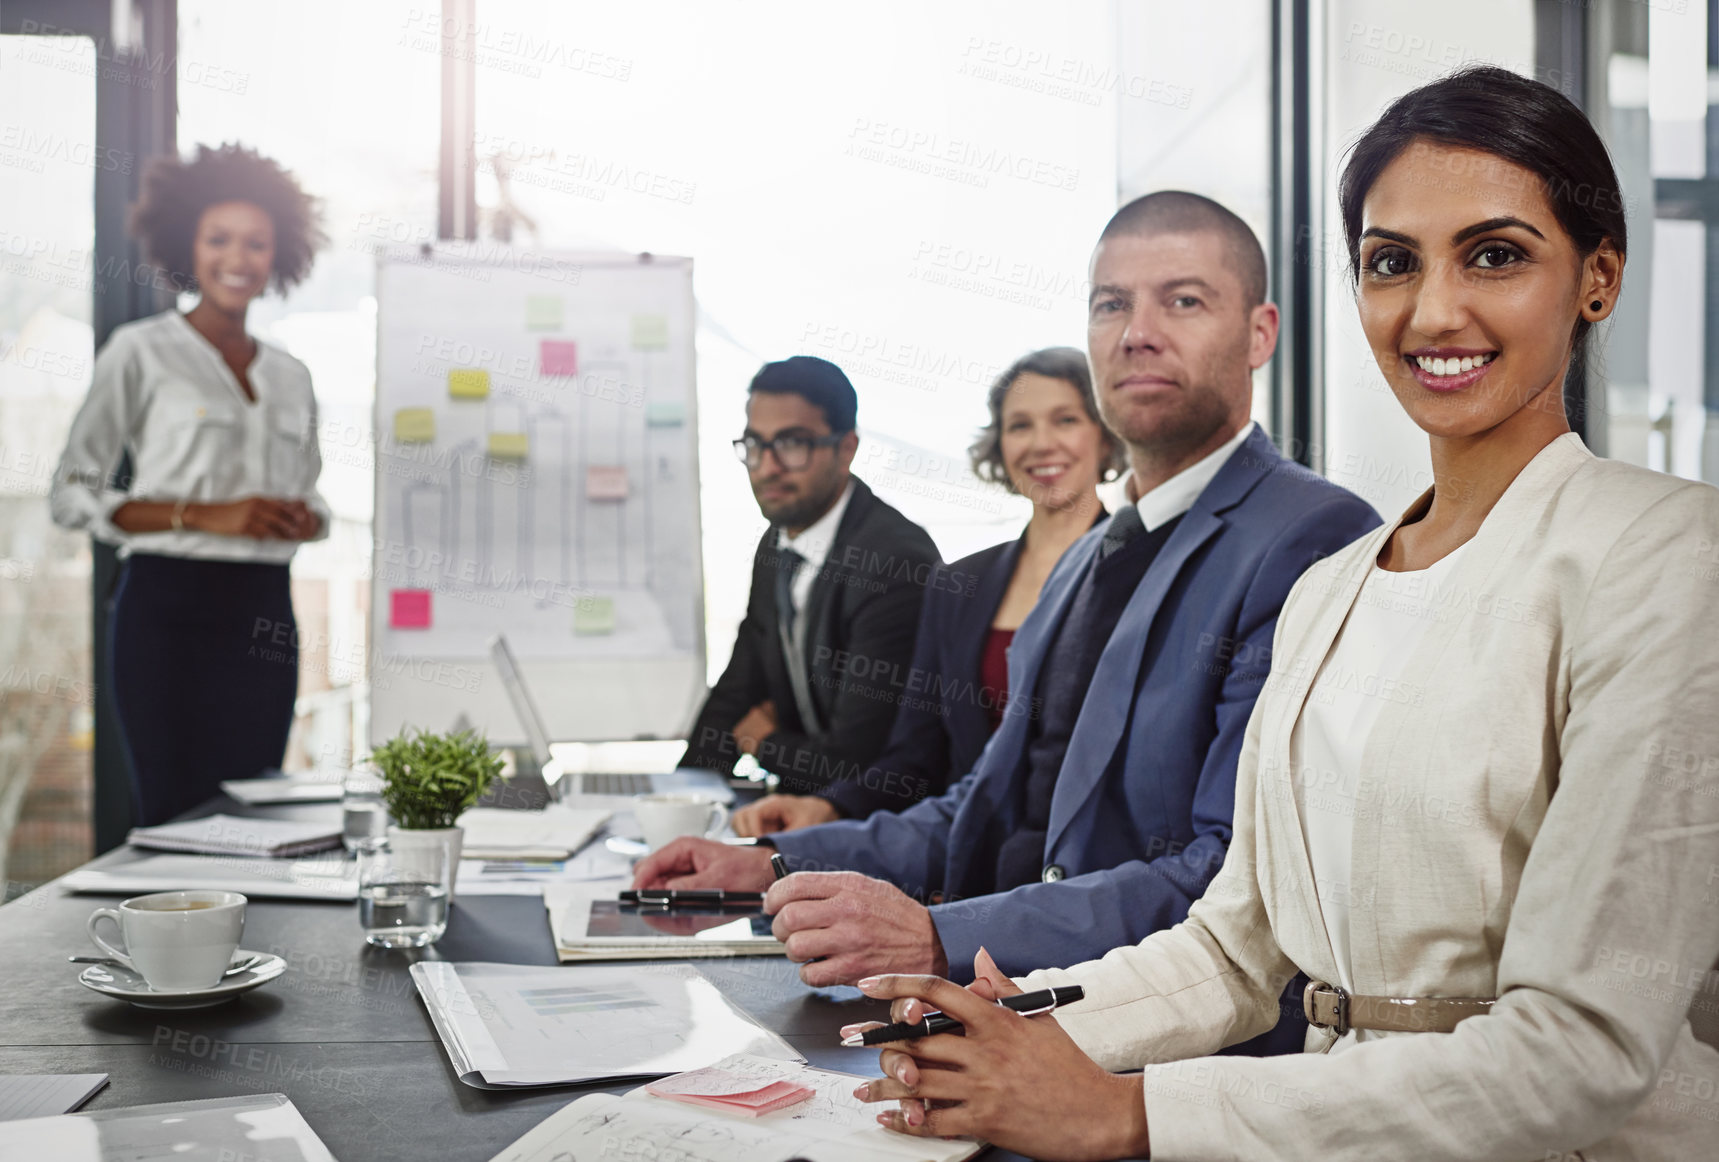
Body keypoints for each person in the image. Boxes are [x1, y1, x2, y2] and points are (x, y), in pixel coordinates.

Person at [850, 66, 1719, 1162]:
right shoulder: (1334, 588)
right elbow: (1233, 949)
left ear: (1598, 277)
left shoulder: (1668, 555)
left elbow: (1579, 1051)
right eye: (1391, 263)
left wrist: (1128, 1112)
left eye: (1495, 254)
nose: (1434, 309)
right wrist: (1004, 1019)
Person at [637, 192, 1382, 994]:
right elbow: (977, 802)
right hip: (998, 991)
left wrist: (938, 936)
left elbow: (1230, 876)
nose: (1137, 332)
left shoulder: (1311, 536)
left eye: (1184, 300)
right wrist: (776, 865)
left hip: (1150, 1032)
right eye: (1110, 305)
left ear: (1259, 332)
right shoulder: (1086, 559)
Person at [50, 143, 330, 827]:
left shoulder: (292, 375)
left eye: (257, 243)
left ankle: (248, 940)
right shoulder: (140, 352)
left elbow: (315, 497)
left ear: (279, 255)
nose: (238, 258)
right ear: (186, 245)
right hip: (165, 605)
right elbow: (71, 491)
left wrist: (307, 520)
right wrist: (206, 515)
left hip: (264, 609)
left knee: (253, 809)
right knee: (172, 812)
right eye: (219, 239)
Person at [732, 346, 1123, 834]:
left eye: (1065, 420)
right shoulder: (961, 586)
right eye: (1019, 425)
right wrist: (829, 808)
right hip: (967, 864)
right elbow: (916, 759)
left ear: (1106, 437)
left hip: (1087, 867)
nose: (1041, 443)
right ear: (999, 444)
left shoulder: (1137, 573)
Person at [680, 356, 940, 798]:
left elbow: (856, 762)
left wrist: (763, 742)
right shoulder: (778, 540)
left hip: (879, 825)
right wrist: (675, 796)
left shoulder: (894, 561)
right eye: (755, 444)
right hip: (808, 810)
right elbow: (742, 681)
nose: (767, 466)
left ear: (846, 449)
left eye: (793, 443)